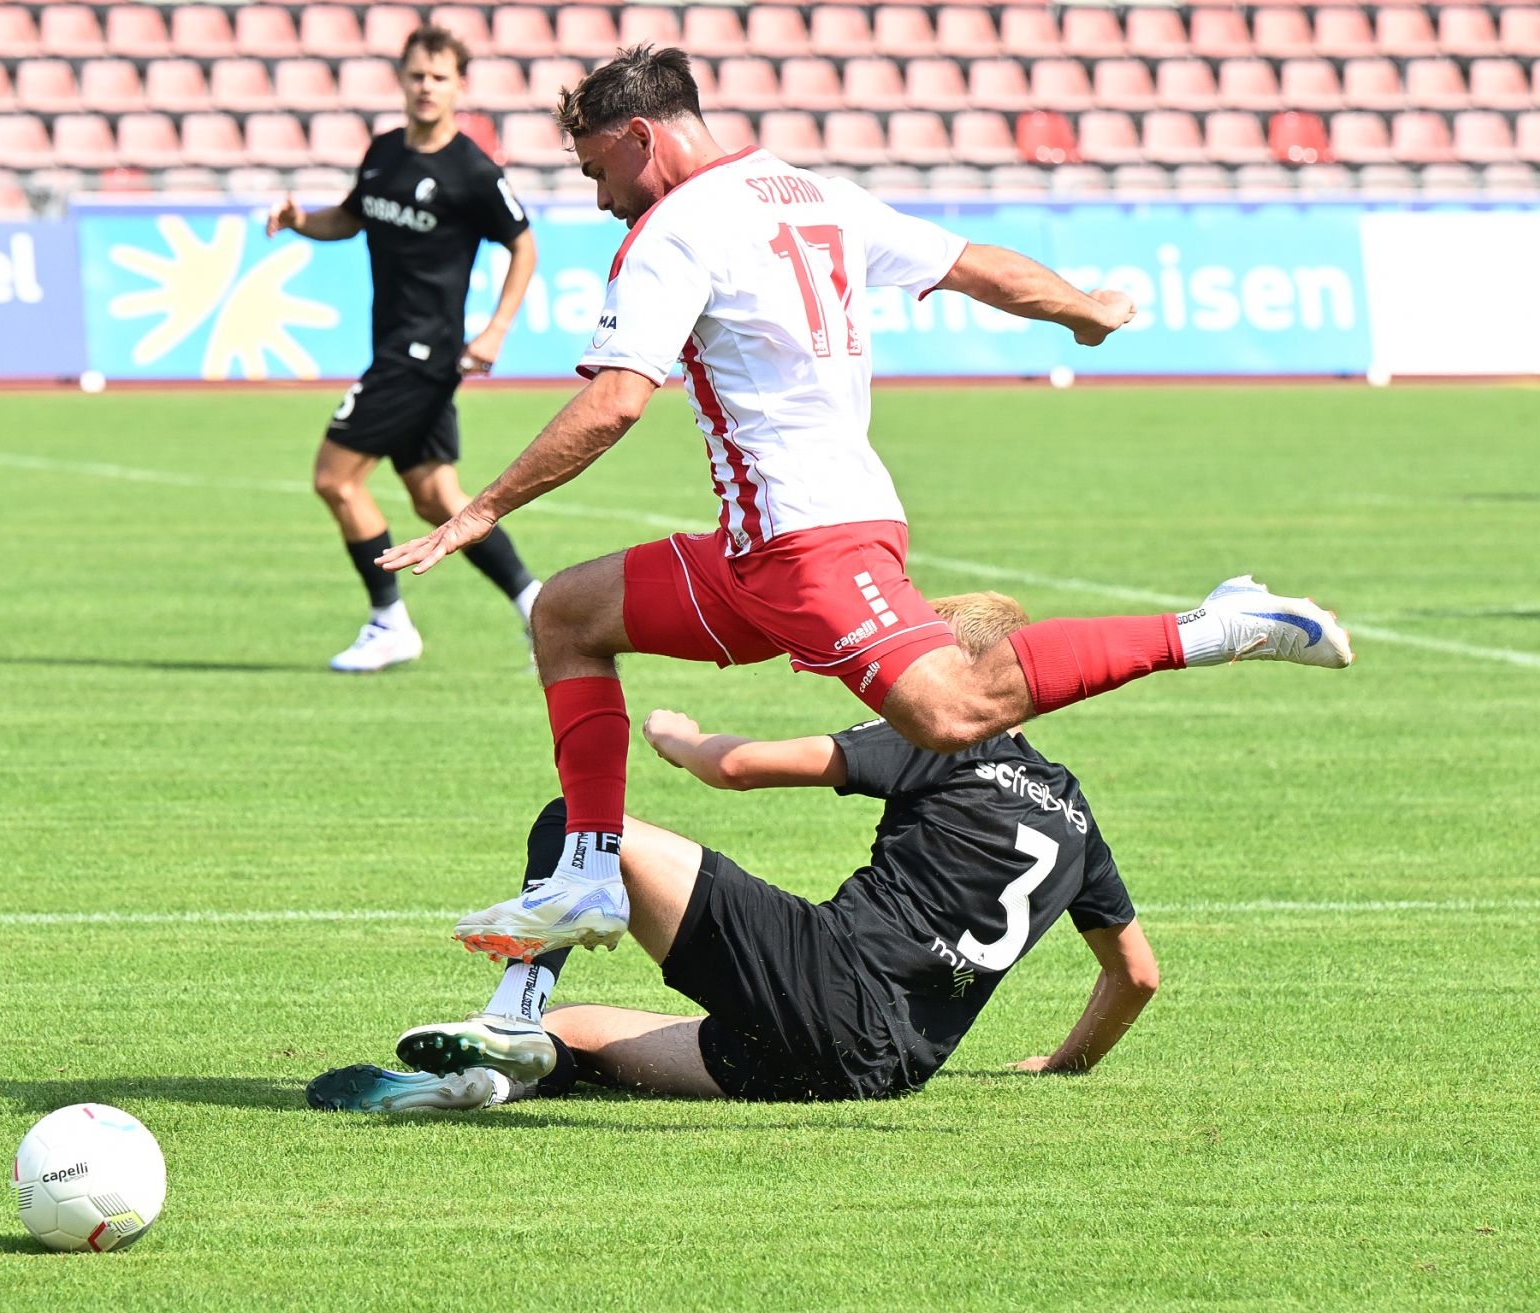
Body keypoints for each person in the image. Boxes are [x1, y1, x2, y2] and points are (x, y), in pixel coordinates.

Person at [375, 45, 1350, 954]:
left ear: (640, 137)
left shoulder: (671, 231)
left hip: (812, 543)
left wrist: (483, 507)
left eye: (598, 171)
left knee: (952, 710)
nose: (600, 198)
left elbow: (617, 401)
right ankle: (590, 875)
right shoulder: (815, 193)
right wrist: (1084, 309)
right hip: (761, 548)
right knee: (565, 614)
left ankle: (1223, 624)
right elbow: (974, 264)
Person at [306, 592, 1159, 1111]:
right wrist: (1061, 1064)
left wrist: (680, 736)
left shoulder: (944, 735)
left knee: (580, 822)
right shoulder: (1076, 819)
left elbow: (741, 767)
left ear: (967, 673)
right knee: (575, 1036)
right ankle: (487, 1076)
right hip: (878, 1068)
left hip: (826, 983)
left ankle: (506, 1015)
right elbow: (1136, 976)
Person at [268, 24, 544, 673]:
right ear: (400, 77)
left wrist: (496, 329)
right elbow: (349, 218)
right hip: (394, 345)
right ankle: (540, 608)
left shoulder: (472, 171)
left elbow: (524, 246)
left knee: (335, 479)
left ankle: (389, 622)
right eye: (417, 74)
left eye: (439, 77)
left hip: (421, 353)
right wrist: (301, 220)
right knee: (437, 498)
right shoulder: (385, 152)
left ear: (459, 86)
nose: (426, 87)